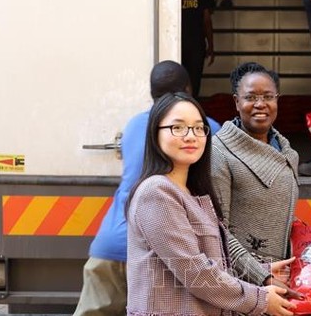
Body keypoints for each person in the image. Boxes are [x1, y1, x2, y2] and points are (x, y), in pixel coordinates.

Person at [125, 92, 295, 316]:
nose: (190, 136)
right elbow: (195, 273)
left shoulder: (194, 193)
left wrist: (260, 271)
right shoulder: (157, 192)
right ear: (155, 134)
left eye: (198, 128)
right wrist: (260, 299)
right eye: (178, 128)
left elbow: (212, 262)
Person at [73, 61, 220, 316]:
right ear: (188, 88)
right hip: (154, 255)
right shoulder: (206, 129)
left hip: (108, 245)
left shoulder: (133, 125)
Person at [211, 62, 300, 264]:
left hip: (281, 273)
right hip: (242, 280)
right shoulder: (219, 152)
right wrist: (261, 275)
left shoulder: (288, 153)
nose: (260, 104)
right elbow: (217, 231)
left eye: (268, 97)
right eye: (250, 97)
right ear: (236, 102)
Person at [182, 0, 214, 98]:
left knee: (194, 83)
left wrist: (211, 46)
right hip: (176, 45)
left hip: (196, 45)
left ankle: (192, 114)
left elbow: (206, 19)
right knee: (178, 83)